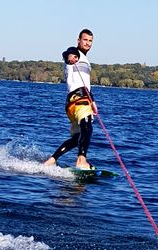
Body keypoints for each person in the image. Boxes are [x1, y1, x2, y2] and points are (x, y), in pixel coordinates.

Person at [44, 29, 97, 169]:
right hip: (79, 100)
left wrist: (93, 101)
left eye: (90, 41)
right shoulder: (75, 53)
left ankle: (51, 160)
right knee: (87, 127)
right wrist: (70, 57)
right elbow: (67, 53)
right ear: (79, 40)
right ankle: (81, 159)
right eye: (85, 40)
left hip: (73, 103)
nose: (88, 43)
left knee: (77, 138)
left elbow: (85, 84)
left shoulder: (86, 60)